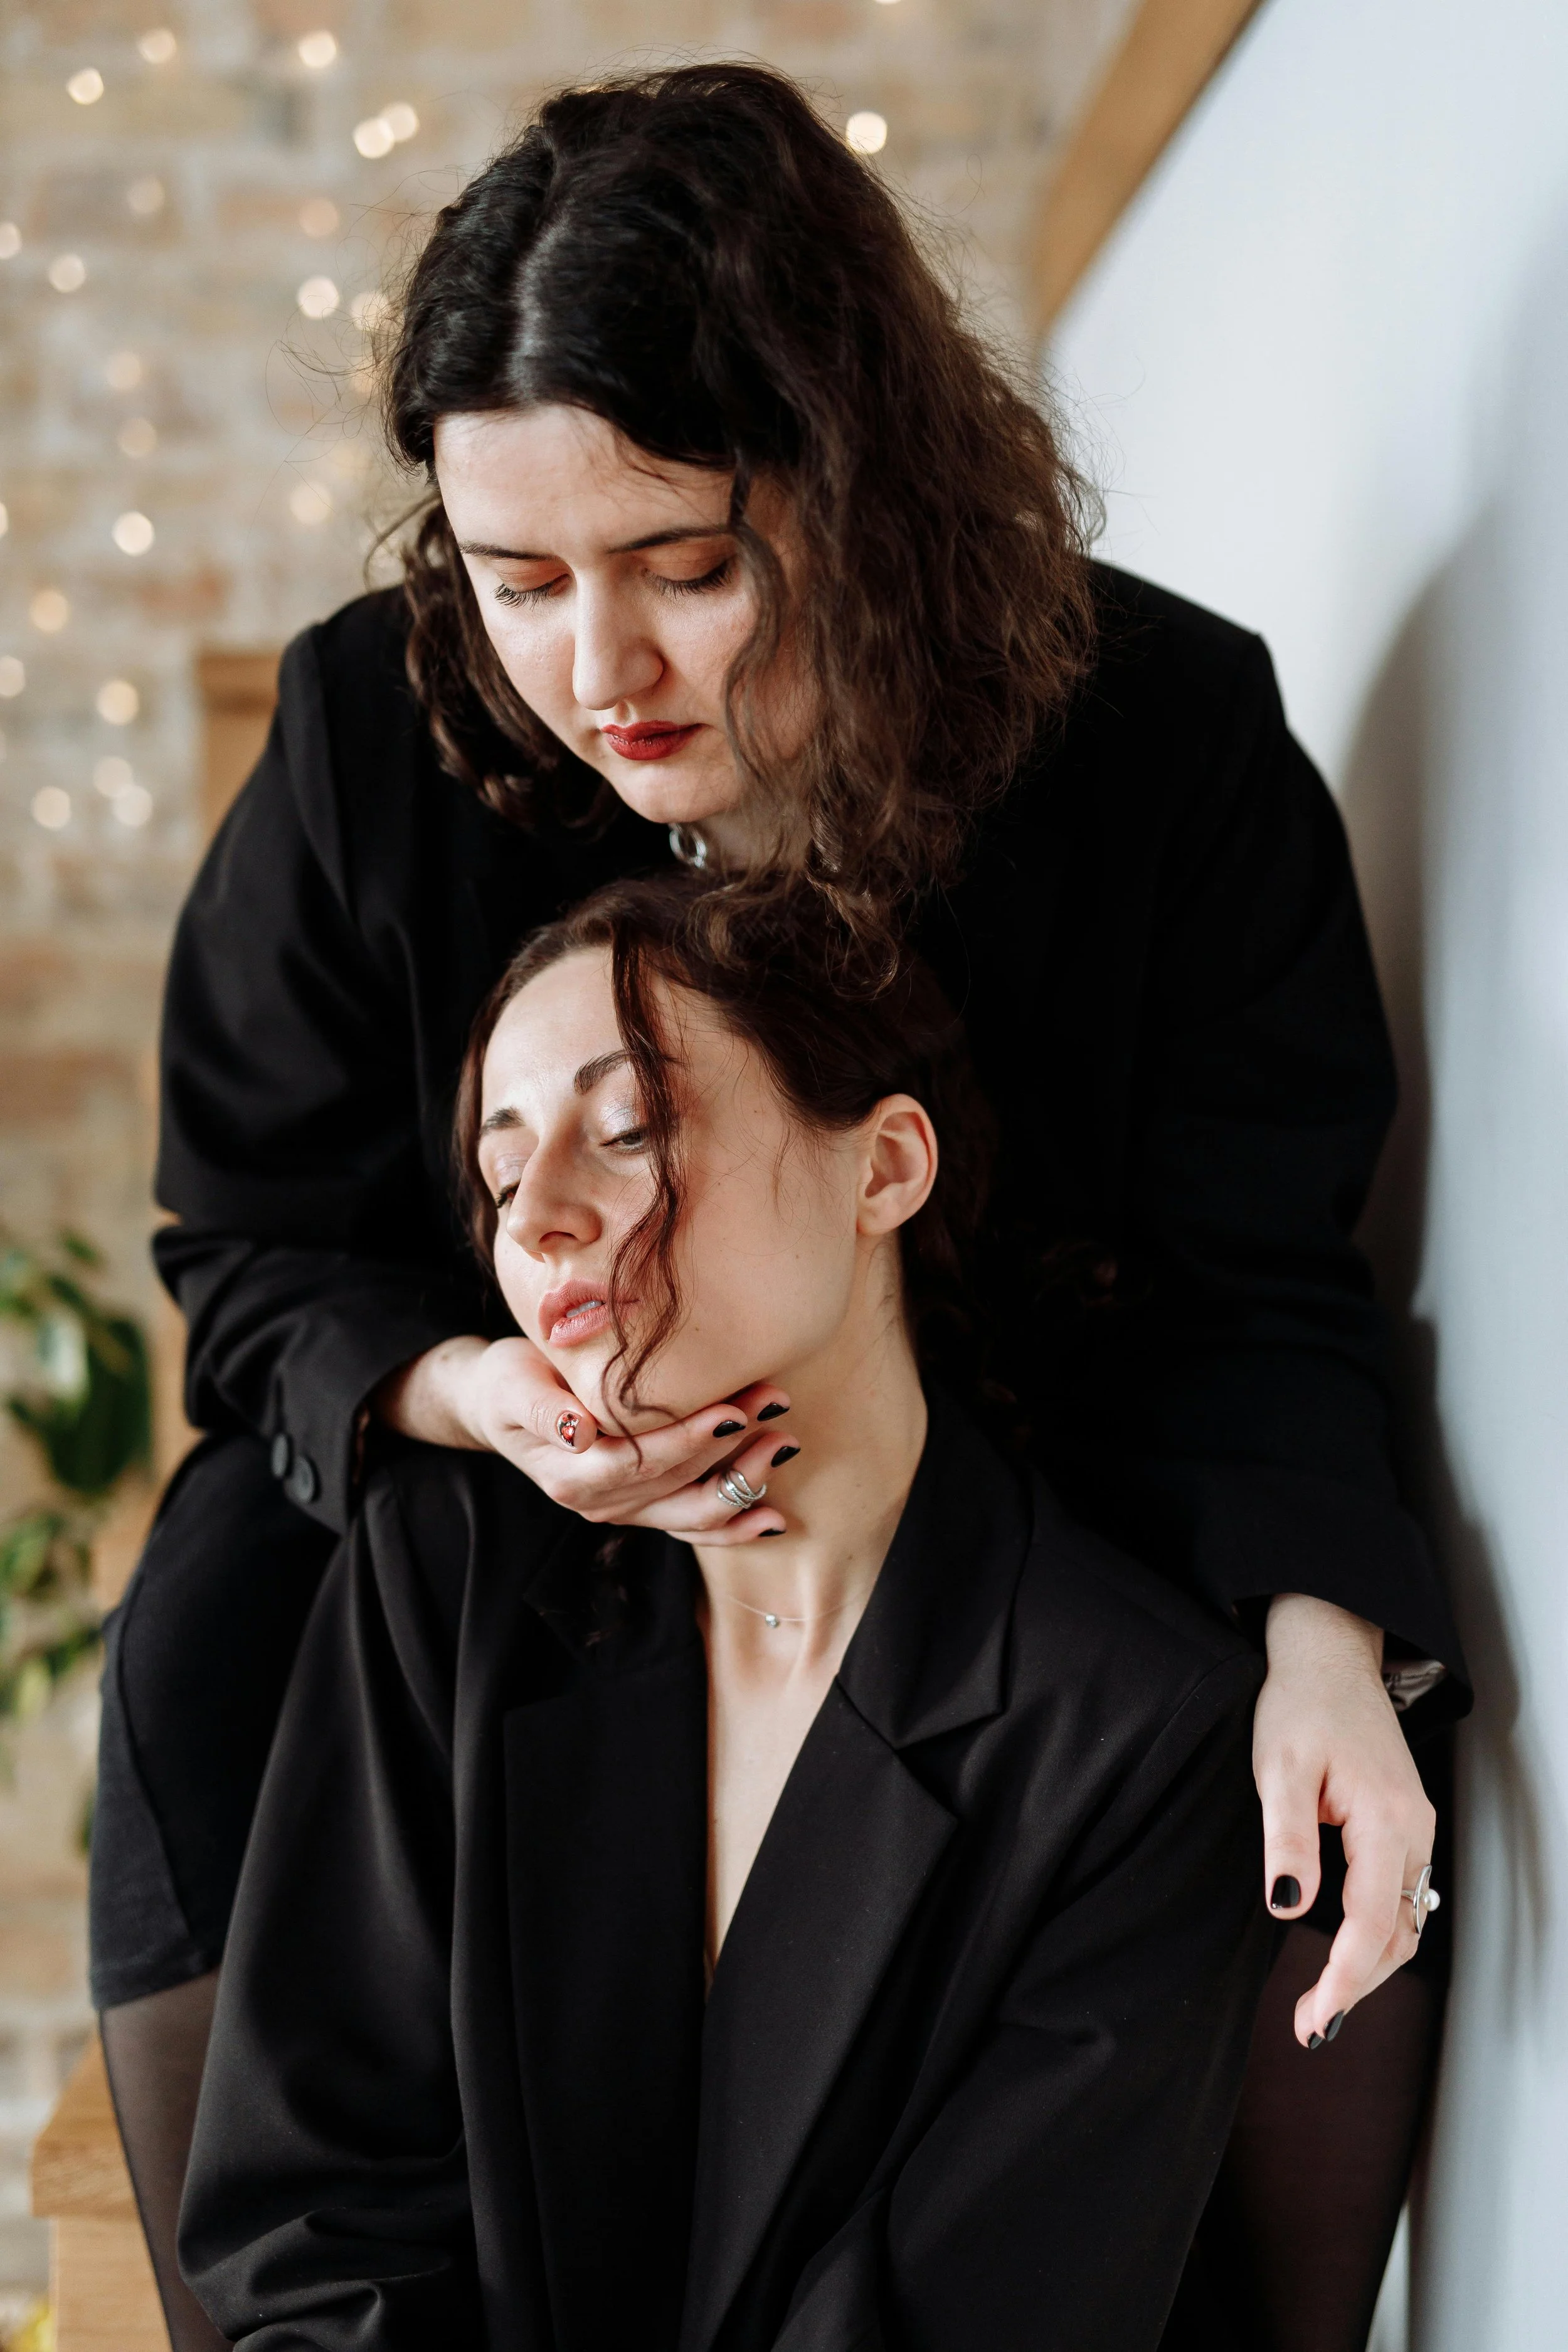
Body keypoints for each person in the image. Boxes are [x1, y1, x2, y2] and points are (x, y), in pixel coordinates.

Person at [94, 62, 1465, 2352]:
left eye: (686, 568)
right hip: (532, 1499)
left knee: (1304, 1781)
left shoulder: (1164, 742)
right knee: (219, 1605)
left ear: (857, 480)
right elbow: (250, 1245)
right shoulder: (375, 735)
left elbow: (1261, 1262)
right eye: (517, 580)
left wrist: (1328, 1629)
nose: (598, 675)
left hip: (1004, 1466)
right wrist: (476, 1394)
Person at [177, 874, 1274, 2351]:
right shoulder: (441, 1574)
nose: (547, 1220)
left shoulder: (1134, 1732)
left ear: (882, 1166)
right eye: (503, 1179)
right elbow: (309, 2225)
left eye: (627, 1129)